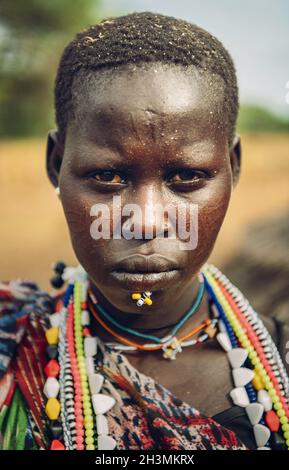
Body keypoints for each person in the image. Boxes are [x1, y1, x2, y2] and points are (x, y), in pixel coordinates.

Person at [1, 11, 289, 451]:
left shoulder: (281, 362)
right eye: (108, 176)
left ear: (232, 167)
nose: (148, 221)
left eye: (187, 176)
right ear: (56, 164)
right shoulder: (13, 348)